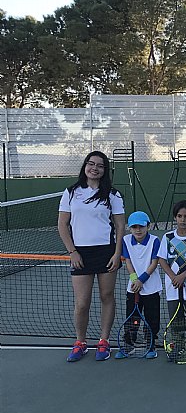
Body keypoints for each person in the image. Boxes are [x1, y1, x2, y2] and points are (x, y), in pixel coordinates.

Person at [58, 151, 125, 362]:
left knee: (107, 297)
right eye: (91, 164)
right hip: (80, 254)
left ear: (105, 170)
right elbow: (62, 225)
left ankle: (103, 341)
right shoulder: (70, 193)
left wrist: (117, 253)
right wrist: (73, 251)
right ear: (85, 166)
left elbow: (120, 225)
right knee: (82, 303)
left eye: (100, 165)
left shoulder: (113, 195)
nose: (95, 168)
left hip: (106, 251)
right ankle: (80, 342)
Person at [158, 200, 186, 361]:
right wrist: (173, 277)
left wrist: (183, 276)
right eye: (179, 216)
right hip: (173, 287)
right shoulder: (167, 237)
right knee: (175, 320)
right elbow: (162, 260)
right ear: (175, 217)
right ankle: (178, 346)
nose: (182, 220)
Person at [116, 211, 161, 359]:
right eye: (134, 227)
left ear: (148, 226)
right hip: (133, 287)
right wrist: (135, 279)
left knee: (151, 318)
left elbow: (154, 263)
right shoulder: (126, 240)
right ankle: (129, 345)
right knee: (132, 318)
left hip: (151, 288)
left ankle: (151, 345)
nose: (138, 230)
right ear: (130, 228)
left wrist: (141, 280)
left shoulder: (155, 241)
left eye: (141, 226)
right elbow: (128, 261)